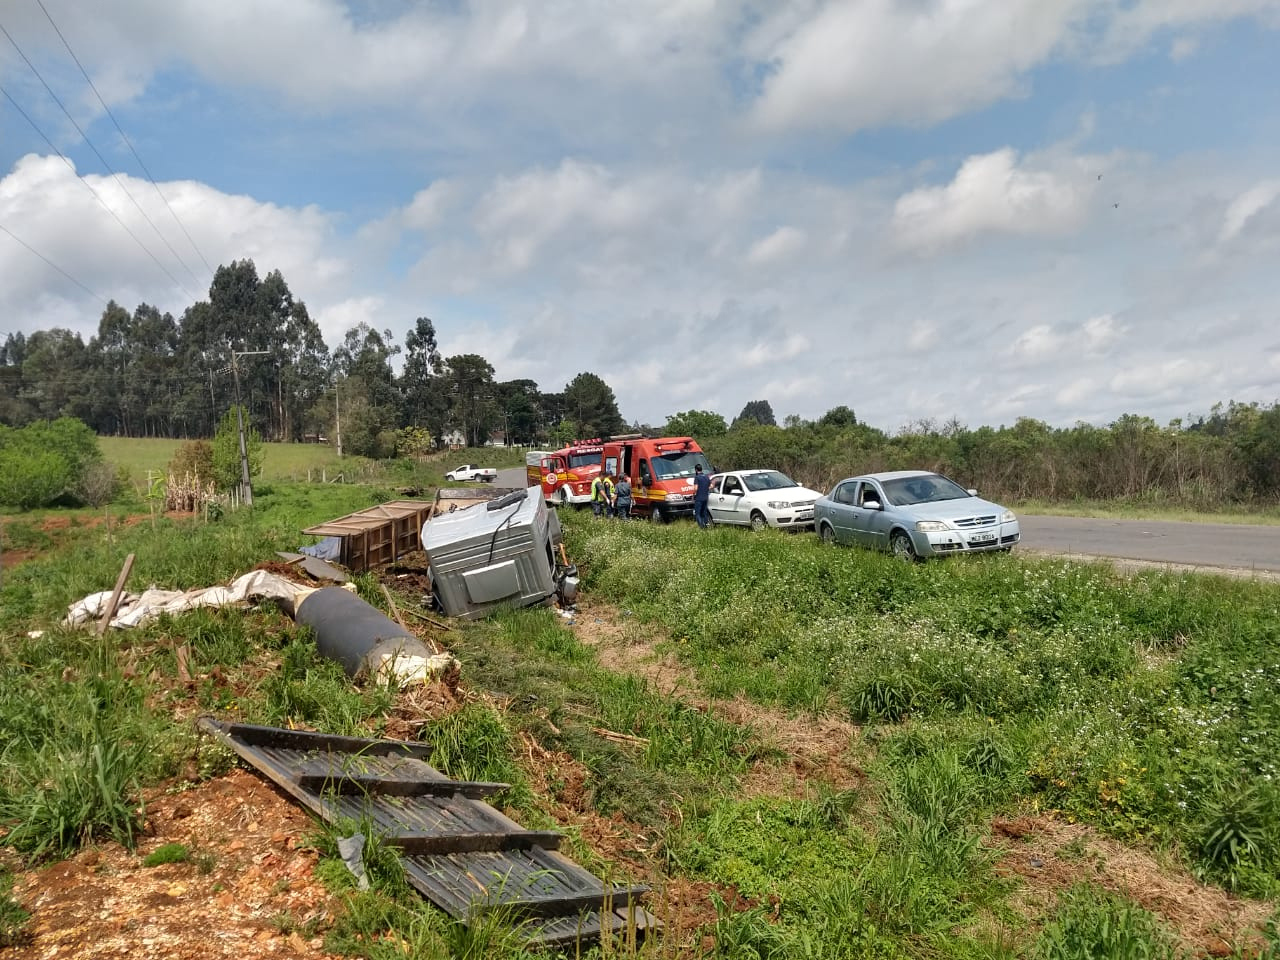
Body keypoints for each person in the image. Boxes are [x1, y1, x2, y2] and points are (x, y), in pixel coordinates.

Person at [693, 463, 712, 528]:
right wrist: (705, 488)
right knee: (704, 512)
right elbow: (711, 486)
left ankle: (702, 527)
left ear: (696, 470)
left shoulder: (697, 477)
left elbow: (696, 488)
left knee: (697, 513)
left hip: (699, 498)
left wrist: (693, 494)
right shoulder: (706, 477)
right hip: (705, 497)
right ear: (701, 469)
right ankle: (707, 524)